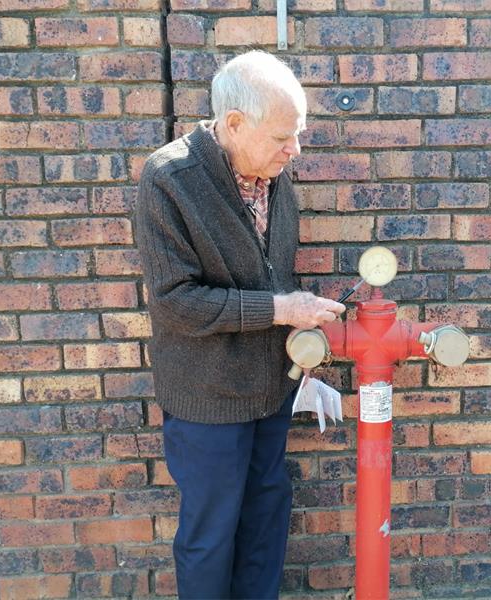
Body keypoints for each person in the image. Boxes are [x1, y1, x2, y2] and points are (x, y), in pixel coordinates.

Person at [133, 50, 345, 599]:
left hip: (271, 391)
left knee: (264, 526)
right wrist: (283, 310)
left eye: (297, 135)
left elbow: (273, 274)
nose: (294, 150)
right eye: (282, 137)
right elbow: (176, 302)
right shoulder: (169, 178)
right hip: (207, 400)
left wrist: (300, 331)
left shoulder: (274, 176)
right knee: (210, 538)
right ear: (234, 123)